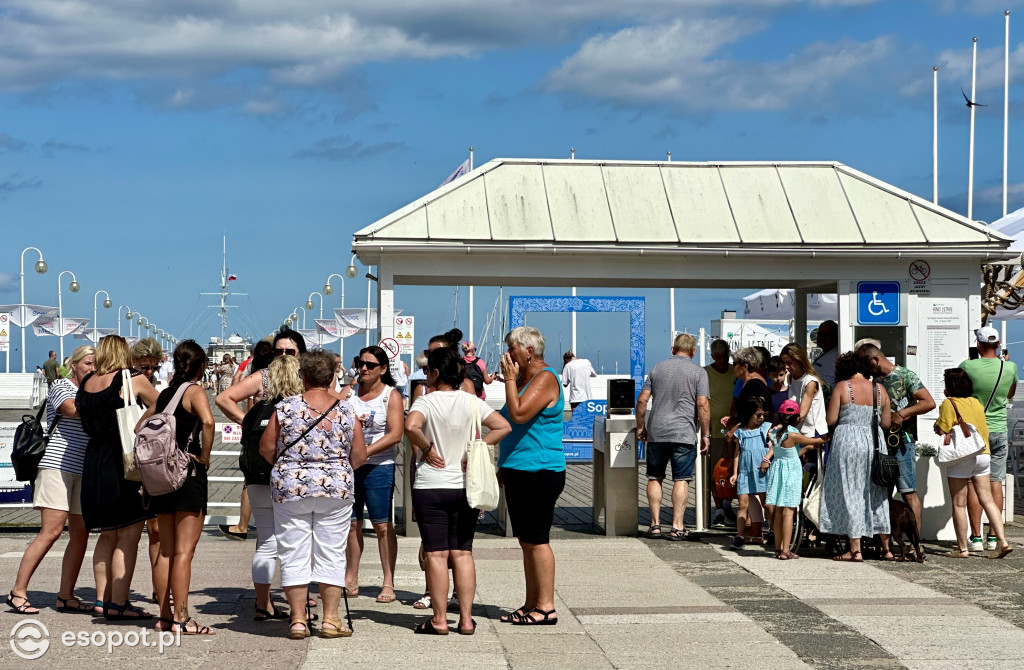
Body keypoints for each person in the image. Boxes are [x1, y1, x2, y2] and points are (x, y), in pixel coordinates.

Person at [259, 350, 368, 640]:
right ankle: (331, 620)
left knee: (293, 552)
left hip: (291, 487)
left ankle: (297, 620)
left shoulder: (285, 408)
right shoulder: (346, 409)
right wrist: (335, 469)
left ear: (302, 377)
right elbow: (359, 454)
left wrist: (292, 467)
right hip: (336, 487)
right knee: (331, 552)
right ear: (333, 376)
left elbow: (266, 448)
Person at [404, 347, 511, 634]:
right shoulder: (472, 402)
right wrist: (478, 447)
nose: (425, 376)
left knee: (437, 555)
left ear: (436, 373)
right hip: (465, 486)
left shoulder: (426, 402)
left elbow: (410, 426)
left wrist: (427, 449)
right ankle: (465, 619)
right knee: (463, 553)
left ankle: (439, 619)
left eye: (428, 371)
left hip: (431, 484)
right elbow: (503, 426)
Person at [6, 345, 96, 615]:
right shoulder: (61, 386)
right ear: (75, 364)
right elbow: (71, 410)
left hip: (83, 467)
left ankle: (66, 596)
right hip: (56, 465)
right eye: (88, 364)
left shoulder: (93, 392)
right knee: (52, 531)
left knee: (81, 533)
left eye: (96, 365)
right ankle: (18, 591)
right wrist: (103, 402)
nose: (92, 369)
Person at [77, 335, 159, 619]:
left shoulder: (88, 382)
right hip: (122, 462)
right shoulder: (130, 378)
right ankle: (119, 602)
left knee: (106, 534)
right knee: (129, 531)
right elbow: (161, 405)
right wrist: (141, 422)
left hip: (93, 463)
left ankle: (101, 599)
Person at [140, 340, 216, 635]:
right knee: (185, 552)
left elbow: (140, 428)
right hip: (187, 473)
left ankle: (164, 615)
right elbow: (208, 423)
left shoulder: (167, 393)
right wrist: (205, 457)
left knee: (166, 551)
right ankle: (182, 618)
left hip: (161, 478)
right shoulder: (194, 391)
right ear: (201, 366)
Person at [496, 326, 566, 626]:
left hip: (540, 470)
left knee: (537, 539)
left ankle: (547, 606)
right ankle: (531, 602)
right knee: (525, 540)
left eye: (511, 349)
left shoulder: (546, 378)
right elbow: (503, 418)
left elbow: (520, 413)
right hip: (517, 468)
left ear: (528, 351)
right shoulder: (523, 381)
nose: (506, 355)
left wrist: (510, 381)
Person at [216, 329, 307, 540]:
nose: (283, 355)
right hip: (266, 459)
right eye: (278, 351)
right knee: (268, 538)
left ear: (301, 353)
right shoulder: (265, 376)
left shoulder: (309, 376)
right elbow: (224, 399)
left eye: (289, 351)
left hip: (300, 460)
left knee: (295, 535)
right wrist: (248, 422)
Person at [858, 342, 935, 547]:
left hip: (902, 442)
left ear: (875, 359)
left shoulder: (905, 375)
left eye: (866, 364)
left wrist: (902, 414)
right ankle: (887, 543)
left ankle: (916, 544)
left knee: (908, 492)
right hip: (879, 444)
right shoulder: (873, 381)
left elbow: (928, 402)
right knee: (882, 492)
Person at [635, 333, 710, 540]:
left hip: (657, 432)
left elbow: (642, 400)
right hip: (684, 433)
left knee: (654, 477)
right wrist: (706, 434)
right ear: (693, 352)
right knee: (682, 479)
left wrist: (641, 426)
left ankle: (655, 524)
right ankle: (677, 526)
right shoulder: (698, 372)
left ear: (672, 349)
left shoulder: (657, 368)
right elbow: (702, 404)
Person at [819, 351, 892, 562]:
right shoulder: (880, 389)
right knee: (877, 494)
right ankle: (887, 549)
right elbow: (886, 423)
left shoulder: (843, 387)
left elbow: (831, 419)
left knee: (852, 493)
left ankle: (855, 549)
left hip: (848, 441)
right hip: (875, 442)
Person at [345, 346, 404, 604]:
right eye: (361, 363)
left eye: (370, 364)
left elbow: (395, 434)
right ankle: (351, 577)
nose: (364, 369)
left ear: (383, 369)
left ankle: (388, 580)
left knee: (381, 525)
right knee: (352, 524)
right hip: (350, 467)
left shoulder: (391, 396)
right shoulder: (348, 393)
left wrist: (365, 452)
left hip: (379, 466)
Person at [933, 368, 1013, 559]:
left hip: (962, 456)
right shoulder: (976, 402)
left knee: (959, 503)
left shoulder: (948, 403)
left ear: (948, 386)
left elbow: (943, 428)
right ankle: (1002, 542)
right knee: (987, 499)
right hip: (982, 454)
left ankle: (962, 549)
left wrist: (937, 426)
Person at [247, 355, 304, 621]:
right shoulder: (296, 408)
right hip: (287, 484)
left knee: (266, 544)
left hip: (256, 482)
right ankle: (298, 612)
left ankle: (262, 604)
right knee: (295, 546)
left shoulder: (257, 409)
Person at [959, 326, 1017, 552]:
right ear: (999, 344)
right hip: (999, 429)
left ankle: (975, 537)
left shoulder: (967, 366)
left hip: (976, 431)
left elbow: (961, 391)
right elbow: (1009, 394)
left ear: (979, 345)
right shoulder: (1009, 367)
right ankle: (994, 536)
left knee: (975, 483)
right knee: (995, 482)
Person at [131, 336, 170, 608]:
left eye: (153, 368)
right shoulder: (130, 384)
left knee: (157, 529)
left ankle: (160, 588)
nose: (149, 372)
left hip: (155, 461)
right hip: (132, 459)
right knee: (133, 529)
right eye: (144, 366)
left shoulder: (160, 386)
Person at [766, 400, 826, 559]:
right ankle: (786, 550)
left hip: (777, 471)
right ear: (797, 418)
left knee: (778, 511)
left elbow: (788, 453)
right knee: (789, 513)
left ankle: (778, 548)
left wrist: (805, 448)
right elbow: (817, 441)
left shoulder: (772, 432)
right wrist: (829, 435)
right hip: (791, 473)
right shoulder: (793, 435)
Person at [728, 397, 771, 549]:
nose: (761, 417)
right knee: (742, 504)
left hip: (761, 471)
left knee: (767, 503)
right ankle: (739, 535)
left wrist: (767, 459)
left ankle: (773, 531)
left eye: (763, 414)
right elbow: (737, 454)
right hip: (745, 472)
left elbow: (775, 444)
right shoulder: (740, 433)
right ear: (749, 414)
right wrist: (735, 473)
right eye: (757, 414)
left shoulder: (766, 429)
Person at [705, 340, 735, 527]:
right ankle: (719, 511)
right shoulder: (705, 373)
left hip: (733, 431)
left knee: (732, 470)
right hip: (714, 431)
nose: (723, 360)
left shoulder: (735, 372)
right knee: (716, 472)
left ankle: (727, 505)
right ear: (713, 356)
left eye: (726, 356)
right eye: (719, 357)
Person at [781, 343, 828, 439]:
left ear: (799, 360)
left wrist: (784, 427)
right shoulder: (791, 378)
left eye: (789, 363)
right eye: (784, 363)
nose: (786, 367)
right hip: (797, 431)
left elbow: (802, 414)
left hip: (812, 433)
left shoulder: (810, 381)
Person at [811, 320, 838, 389]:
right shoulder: (824, 353)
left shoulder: (838, 355)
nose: (820, 338)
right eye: (819, 334)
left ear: (835, 336)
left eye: (825, 335)